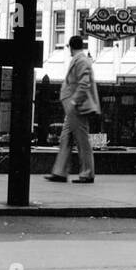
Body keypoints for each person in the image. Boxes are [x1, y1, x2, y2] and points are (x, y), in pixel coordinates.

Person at [44, 35, 99, 184]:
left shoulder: (81, 60)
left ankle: (87, 173)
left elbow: (84, 83)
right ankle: (60, 172)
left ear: (70, 47)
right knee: (65, 139)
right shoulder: (80, 59)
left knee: (82, 141)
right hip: (73, 108)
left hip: (77, 108)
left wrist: (74, 101)